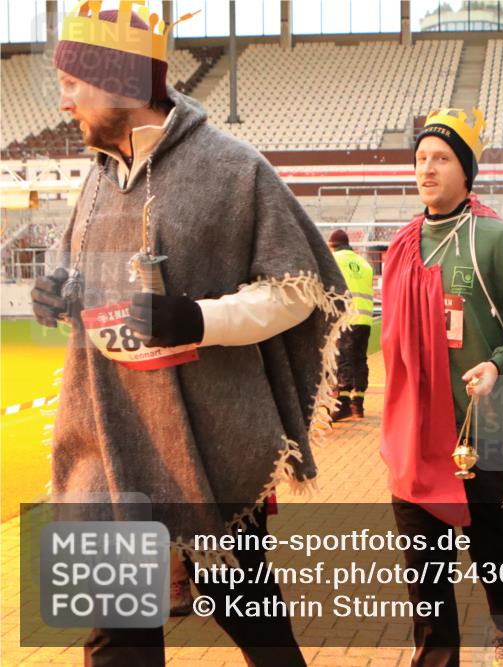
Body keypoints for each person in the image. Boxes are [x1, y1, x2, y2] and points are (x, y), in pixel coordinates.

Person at [31, 5, 349, 664]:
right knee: (117, 632)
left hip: (207, 444)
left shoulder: (232, 167)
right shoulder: (94, 180)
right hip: (104, 445)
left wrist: (199, 318)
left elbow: (298, 288)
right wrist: (61, 291)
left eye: (73, 82)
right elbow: (86, 277)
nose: (62, 101)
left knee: (248, 613)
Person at [380, 107, 503, 667]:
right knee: (424, 562)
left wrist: (500, 366)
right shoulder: (400, 246)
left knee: (494, 545)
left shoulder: (498, 241)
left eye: (441, 158)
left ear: (466, 170)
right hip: (416, 434)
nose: (427, 169)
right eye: (420, 159)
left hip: (484, 428)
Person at [328, 228, 375, 421]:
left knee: (344, 360)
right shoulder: (364, 264)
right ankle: (358, 405)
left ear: (333, 246)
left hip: (347, 318)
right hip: (365, 320)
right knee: (359, 360)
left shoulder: (334, 260)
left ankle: (344, 404)